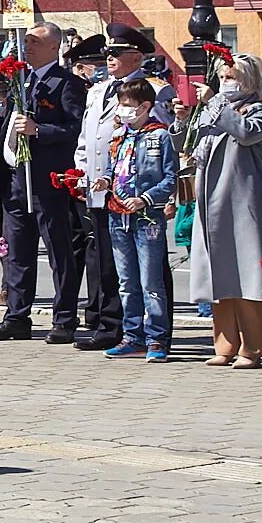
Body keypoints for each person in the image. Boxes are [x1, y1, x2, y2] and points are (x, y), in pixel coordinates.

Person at [0, 24, 88, 343]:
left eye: (34, 42)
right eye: (25, 41)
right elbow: (11, 127)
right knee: (17, 253)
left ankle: (65, 318)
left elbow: (74, 129)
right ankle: (16, 315)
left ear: (54, 47)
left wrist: (39, 130)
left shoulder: (65, 84)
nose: (26, 46)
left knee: (59, 251)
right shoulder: (21, 80)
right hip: (16, 179)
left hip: (47, 181)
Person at [70, 26, 162, 353]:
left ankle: (152, 331)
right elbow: (87, 137)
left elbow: (157, 139)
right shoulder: (98, 90)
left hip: (135, 193)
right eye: (107, 54)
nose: (108, 59)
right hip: (100, 185)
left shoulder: (153, 90)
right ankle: (111, 324)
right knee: (107, 260)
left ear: (136, 56)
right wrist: (81, 173)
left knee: (146, 267)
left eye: (115, 54)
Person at [189, 48, 262, 367]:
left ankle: (251, 349)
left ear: (249, 80)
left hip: (242, 204)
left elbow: (246, 132)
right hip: (210, 205)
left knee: (248, 277)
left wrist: (214, 102)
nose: (225, 83)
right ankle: (224, 345)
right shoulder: (213, 111)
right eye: (223, 77)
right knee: (219, 276)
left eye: (232, 78)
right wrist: (181, 122)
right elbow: (195, 148)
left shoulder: (260, 111)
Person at [94, 77, 178, 360]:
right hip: (118, 216)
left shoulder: (160, 135)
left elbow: (169, 178)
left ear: (144, 106)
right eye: (120, 105)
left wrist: (145, 198)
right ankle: (132, 336)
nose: (122, 110)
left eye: (128, 106)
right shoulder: (119, 136)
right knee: (126, 282)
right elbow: (112, 168)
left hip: (147, 218)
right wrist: (104, 181)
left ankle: (157, 338)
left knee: (151, 282)